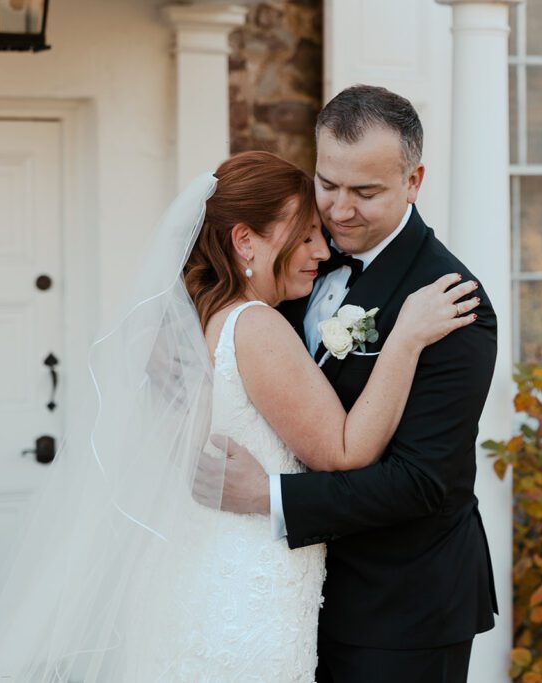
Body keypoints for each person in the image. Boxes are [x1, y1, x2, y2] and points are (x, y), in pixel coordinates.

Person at [0, 150, 479, 681]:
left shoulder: (199, 314)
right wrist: (405, 338)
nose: (324, 248)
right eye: (303, 236)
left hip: (201, 574)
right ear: (246, 241)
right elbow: (344, 450)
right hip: (246, 585)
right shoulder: (256, 325)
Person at [214, 85, 499, 682]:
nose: (339, 210)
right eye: (328, 185)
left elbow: (420, 483)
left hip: (401, 613)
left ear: (414, 181)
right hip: (284, 601)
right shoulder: (295, 265)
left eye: (365, 192)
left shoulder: (452, 303)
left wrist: (268, 497)